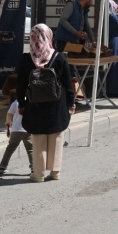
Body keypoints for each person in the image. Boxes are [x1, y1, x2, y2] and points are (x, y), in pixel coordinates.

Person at [17, 24, 74, 182]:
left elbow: (20, 85)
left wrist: (21, 104)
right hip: (57, 105)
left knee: (38, 139)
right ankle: (55, 172)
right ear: (49, 36)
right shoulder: (60, 58)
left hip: (35, 106)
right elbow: (68, 84)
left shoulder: (26, 59)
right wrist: (71, 102)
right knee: (56, 137)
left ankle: (38, 174)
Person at [0, 90, 33, 175]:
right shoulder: (31, 101)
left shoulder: (15, 103)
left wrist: (8, 122)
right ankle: (34, 168)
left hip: (16, 130)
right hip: (27, 130)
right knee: (31, 149)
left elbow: (9, 114)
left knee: (10, 148)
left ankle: (2, 166)